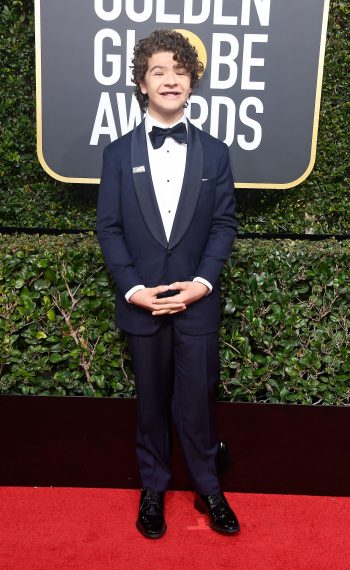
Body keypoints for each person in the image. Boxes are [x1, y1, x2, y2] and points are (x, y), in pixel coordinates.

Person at [96, 29, 239, 539]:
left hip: (197, 304)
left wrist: (202, 283)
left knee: (197, 398)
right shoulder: (116, 155)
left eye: (180, 71)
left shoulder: (217, 153)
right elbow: (109, 228)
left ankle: (208, 486)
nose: (170, 79)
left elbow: (223, 224)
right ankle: (153, 488)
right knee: (151, 401)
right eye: (159, 71)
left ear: (192, 82)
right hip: (142, 305)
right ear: (141, 81)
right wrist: (133, 289)